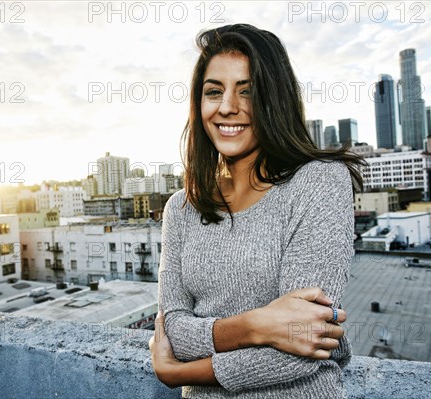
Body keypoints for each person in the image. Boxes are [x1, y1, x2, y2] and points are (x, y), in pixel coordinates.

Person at [149, 23, 365, 398]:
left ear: (274, 101)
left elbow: (306, 342)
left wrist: (176, 373)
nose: (227, 107)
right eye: (214, 91)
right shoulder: (180, 208)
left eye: (247, 92)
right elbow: (175, 332)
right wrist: (254, 326)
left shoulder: (319, 183)